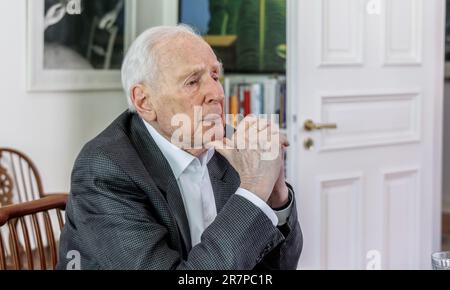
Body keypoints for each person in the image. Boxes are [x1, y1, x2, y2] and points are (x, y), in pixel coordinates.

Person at [57, 25, 302, 270]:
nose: (216, 93)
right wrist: (254, 188)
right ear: (145, 101)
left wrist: (275, 196)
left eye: (215, 76)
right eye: (193, 81)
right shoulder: (104, 169)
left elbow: (280, 266)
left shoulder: (230, 146)